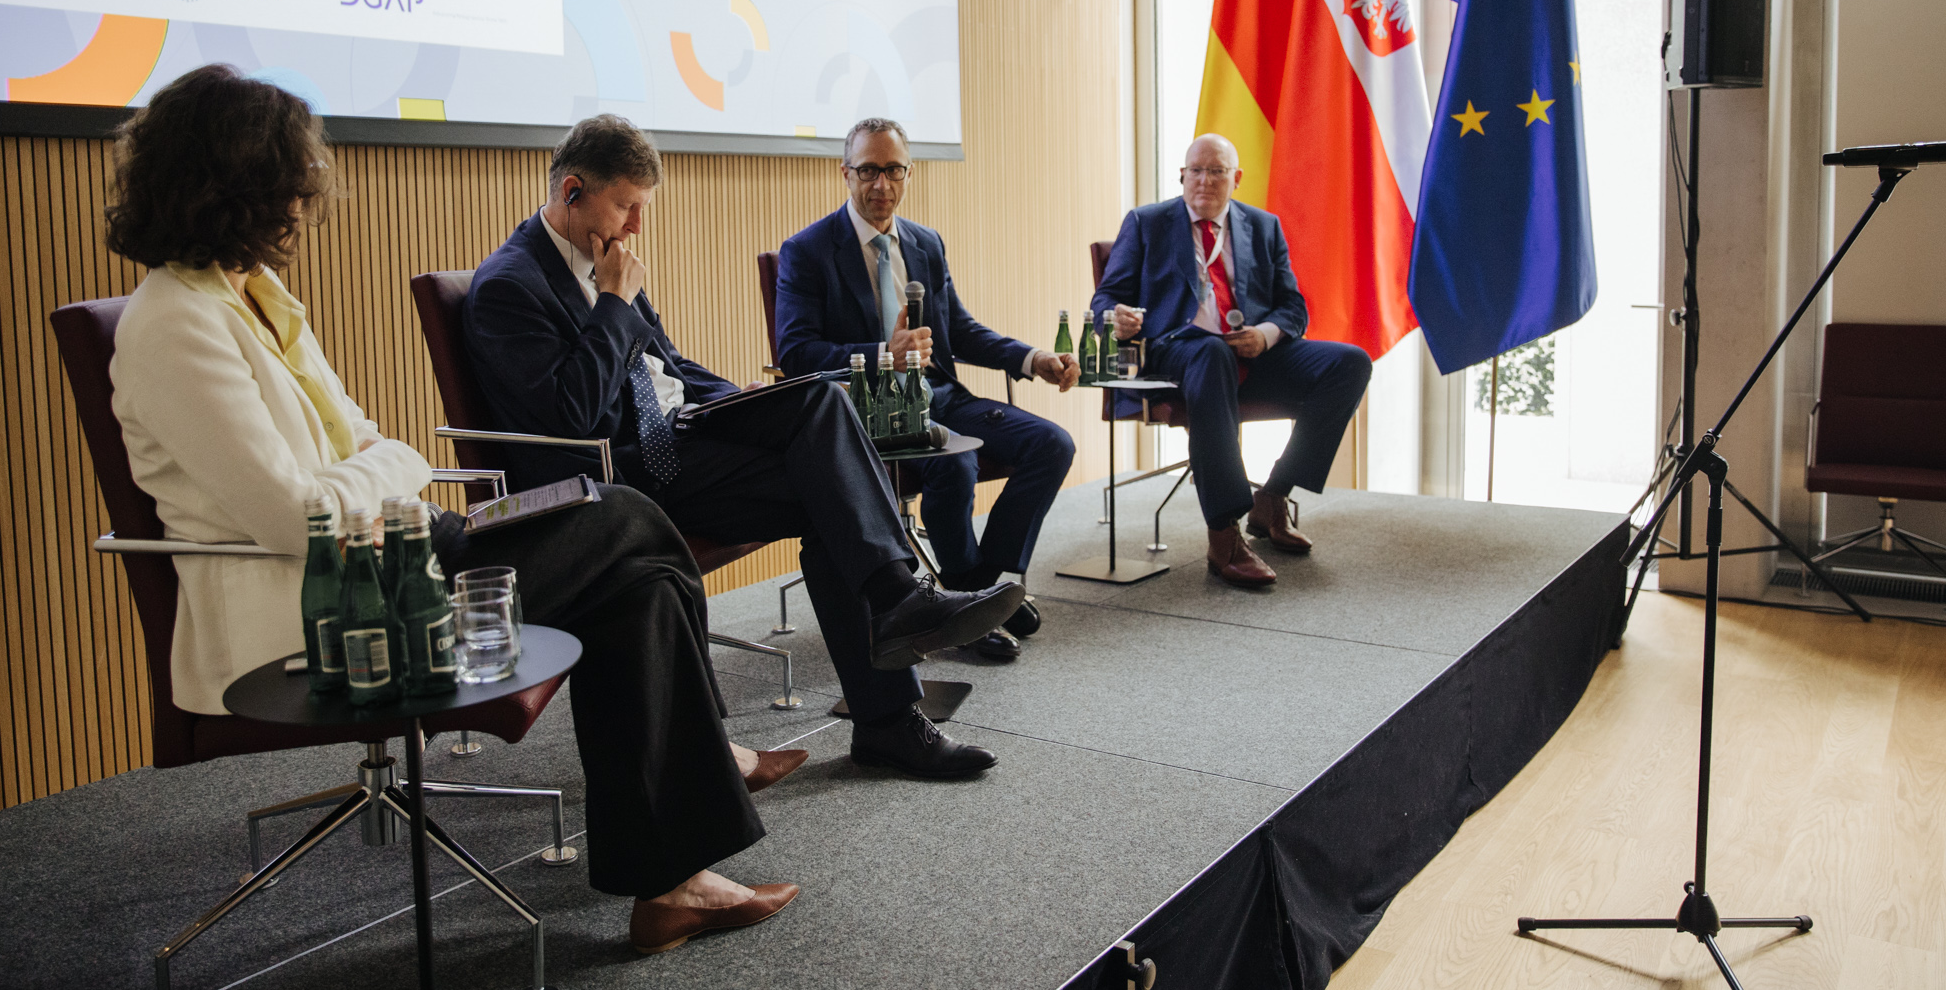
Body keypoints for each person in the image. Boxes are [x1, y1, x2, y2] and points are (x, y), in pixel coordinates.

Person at [105, 65, 799, 954]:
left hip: (400, 550)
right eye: (287, 181)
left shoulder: (257, 299)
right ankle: (688, 843)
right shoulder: (175, 324)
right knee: (626, 520)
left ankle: (671, 885)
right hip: (333, 608)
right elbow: (293, 515)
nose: (301, 203)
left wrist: (377, 467)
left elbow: (371, 442)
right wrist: (382, 469)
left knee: (639, 586)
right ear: (230, 184)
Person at [461, 113, 1023, 777]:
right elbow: (572, 416)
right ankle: (899, 604)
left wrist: (742, 400)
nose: (635, 226)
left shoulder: (604, 259)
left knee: (824, 446)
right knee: (823, 418)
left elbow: (668, 366)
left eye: (642, 209)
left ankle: (888, 721)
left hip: (679, 442)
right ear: (573, 189)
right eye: (626, 206)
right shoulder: (510, 285)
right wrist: (612, 302)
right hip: (619, 479)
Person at [774, 118, 1077, 660]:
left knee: (1052, 445)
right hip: (869, 407)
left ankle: (983, 585)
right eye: (868, 170)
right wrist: (880, 354)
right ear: (845, 174)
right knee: (954, 462)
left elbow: (959, 329)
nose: (881, 184)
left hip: (939, 394)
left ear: (908, 174)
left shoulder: (924, 242)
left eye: (893, 171)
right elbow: (796, 353)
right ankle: (967, 602)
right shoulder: (808, 250)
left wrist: (1033, 359)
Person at [1092, 134, 1371, 587]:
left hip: (1250, 352)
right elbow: (1106, 298)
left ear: (1236, 178)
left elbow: (1293, 307)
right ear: (1182, 175)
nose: (1204, 181)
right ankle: (1224, 533)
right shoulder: (1146, 223)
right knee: (1210, 351)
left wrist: (1265, 335)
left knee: (1350, 362)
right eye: (1195, 171)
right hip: (1178, 352)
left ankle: (1273, 495)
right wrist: (1115, 318)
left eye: (1217, 171)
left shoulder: (1264, 226)